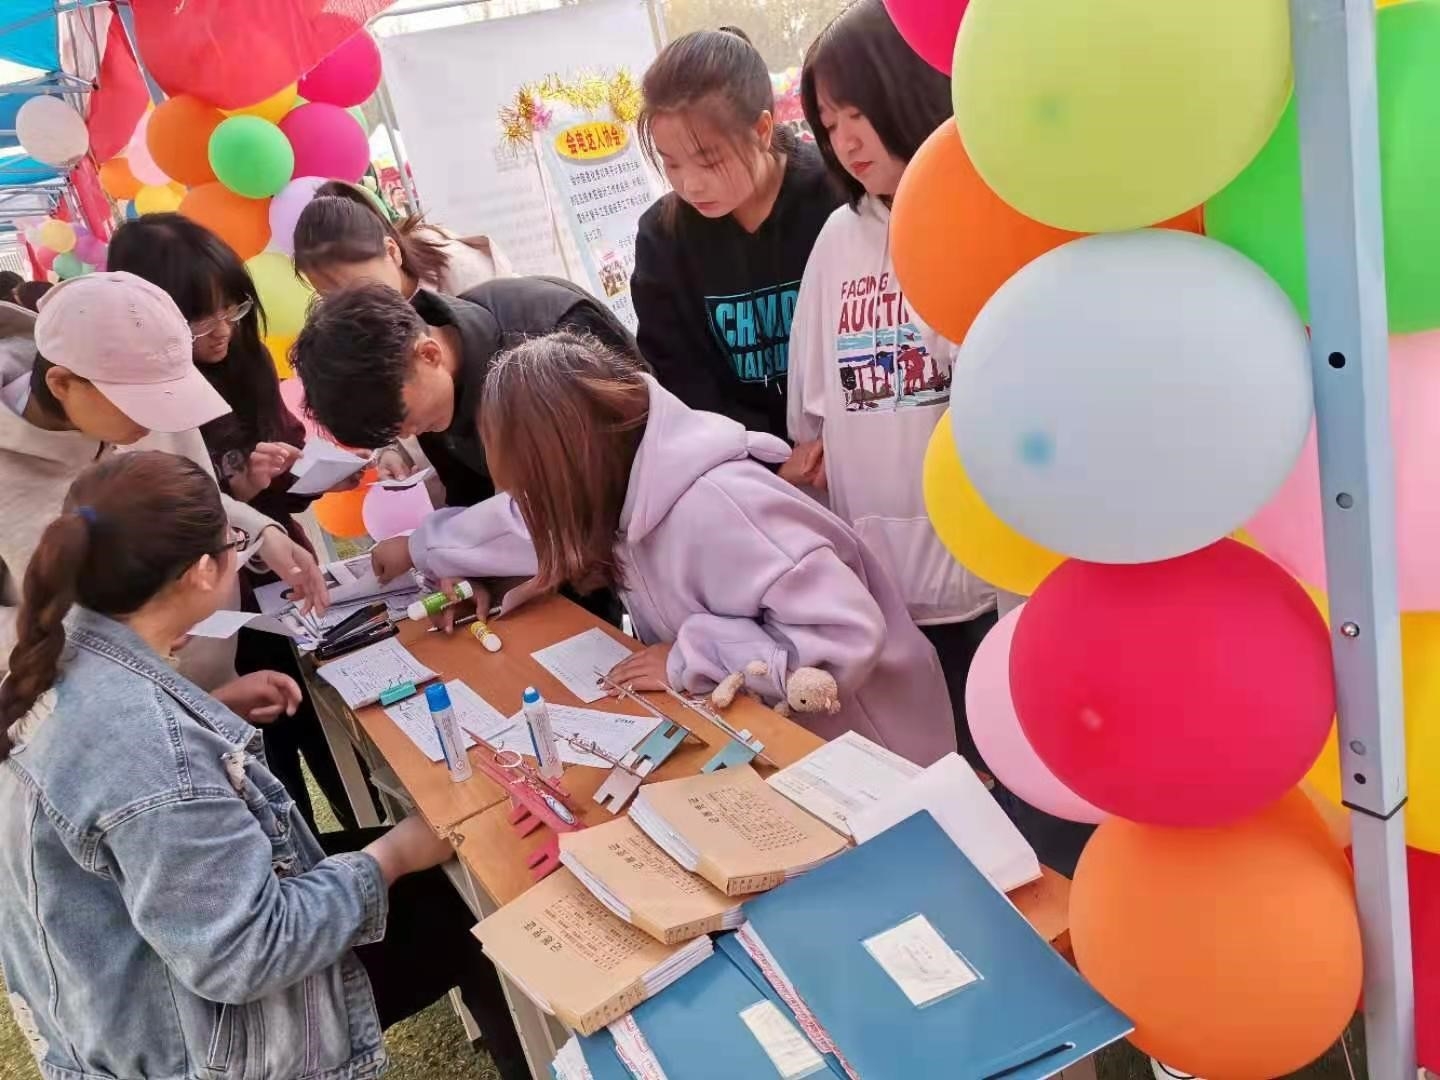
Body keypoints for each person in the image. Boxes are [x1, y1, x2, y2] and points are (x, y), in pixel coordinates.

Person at [0, 450, 528, 1080]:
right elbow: (247, 953)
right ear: (203, 572)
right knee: (461, 904)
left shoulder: (64, 657)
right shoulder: (147, 746)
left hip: (125, 996)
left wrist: (211, 708)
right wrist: (395, 855)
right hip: (194, 1040)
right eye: (235, 544)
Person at [371, 332, 957, 768]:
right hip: (785, 745)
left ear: (570, 472)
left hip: (882, 758)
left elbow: (844, 641)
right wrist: (440, 556)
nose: (527, 505)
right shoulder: (621, 489)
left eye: (532, 489)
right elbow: (518, 526)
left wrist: (691, 655)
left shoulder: (719, 508)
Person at [108, 214, 362, 833]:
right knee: (256, 763)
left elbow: (284, 490)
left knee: (324, 729)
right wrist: (236, 496)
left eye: (233, 307)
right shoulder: (141, 401)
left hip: (281, 587)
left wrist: (299, 478)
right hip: (210, 614)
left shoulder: (244, 360)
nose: (223, 329)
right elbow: (162, 509)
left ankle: (352, 828)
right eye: (201, 318)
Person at [0, 273, 322, 721]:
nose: (157, 421)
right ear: (62, 384)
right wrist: (123, 635)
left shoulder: (146, 411)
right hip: (108, 724)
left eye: (169, 397)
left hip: (215, 691)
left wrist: (262, 532)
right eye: (140, 403)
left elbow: (199, 498)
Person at [630, 28, 840, 439]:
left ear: (761, 130)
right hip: (739, 458)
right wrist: (764, 453)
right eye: (672, 163)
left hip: (851, 436)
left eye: (708, 161)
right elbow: (680, 378)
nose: (690, 185)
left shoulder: (834, 194)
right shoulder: (662, 239)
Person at [293, 279, 635, 510]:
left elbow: (629, 465)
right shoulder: (425, 390)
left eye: (404, 420)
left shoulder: (552, 333)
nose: (409, 434)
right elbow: (469, 494)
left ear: (429, 354)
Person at [294, 180, 511, 297]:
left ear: (391, 251)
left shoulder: (468, 278)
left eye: (362, 290)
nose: (350, 309)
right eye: (330, 298)